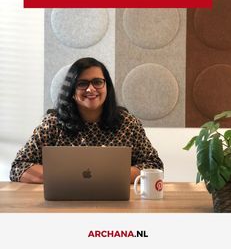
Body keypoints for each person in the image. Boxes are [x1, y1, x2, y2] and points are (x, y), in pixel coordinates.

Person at [10, 57, 163, 184]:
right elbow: (18, 167)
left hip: (116, 204)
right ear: (71, 91)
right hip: (63, 205)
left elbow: (154, 167)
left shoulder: (128, 124)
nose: (90, 89)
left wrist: (105, 178)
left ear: (107, 87)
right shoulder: (53, 124)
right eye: (82, 84)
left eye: (97, 82)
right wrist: (67, 178)